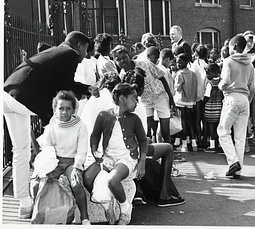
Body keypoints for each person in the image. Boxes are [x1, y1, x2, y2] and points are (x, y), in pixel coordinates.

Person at [3, 31, 98, 219]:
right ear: (79, 45)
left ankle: (24, 205)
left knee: (19, 150)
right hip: (24, 98)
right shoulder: (69, 54)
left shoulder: (55, 52)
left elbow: (64, 84)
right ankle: (47, 184)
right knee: (55, 137)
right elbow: (65, 90)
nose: (85, 54)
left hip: (7, 95)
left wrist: (86, 89)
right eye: (86, 49)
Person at [121, 69, 185, 207]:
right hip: (133, 153)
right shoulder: (137, 107)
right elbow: (142, 140)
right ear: (142, 88)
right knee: (167, 148)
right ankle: (164, 194)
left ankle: (138, 191)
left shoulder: (116, 103)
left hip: (118, 151)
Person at [88, 83, 148, 225]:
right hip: (108, 158)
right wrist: (95, 151)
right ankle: (108, 207)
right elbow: (94, 136)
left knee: (111, 180)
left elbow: (143, 141)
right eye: (133, 98)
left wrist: (142, 162)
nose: (136, 102)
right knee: (94, 185)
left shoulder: (134, 119)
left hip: (127, 158)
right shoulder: (103, 115)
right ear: (122, 98)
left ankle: (125, 209)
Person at [31, 90, 91, 225]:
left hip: (71, 162)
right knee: (36, 183)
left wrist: (77, 167)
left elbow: (82, 151)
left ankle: (85, 218)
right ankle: (38, 213)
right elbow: (47, 148)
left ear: (74, 109)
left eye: (68, 109)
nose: (64, 112)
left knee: (76, 184)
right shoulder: (51, 127)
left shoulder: (81, 126)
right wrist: (49, 168)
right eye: (61, 108)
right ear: (55, 109)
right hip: (55, 161)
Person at [111, 45, 175, 144]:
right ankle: (149, 155)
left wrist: (170, 98)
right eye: (118, 59)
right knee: (146, 129)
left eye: (124, 57)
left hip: (160, 96)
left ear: (129, 55)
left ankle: (169, 154)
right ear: (115, 62)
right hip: (144, 101)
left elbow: (162, 77)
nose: (122, 61)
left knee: (165, 130)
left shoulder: (145, 64)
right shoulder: (123, 76)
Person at [217, 35, 255, 178]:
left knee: (223, 131)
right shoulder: (250, 64)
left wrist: (220, 85)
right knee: (240, 137)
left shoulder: (228, 61)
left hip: (231, 97)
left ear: (233, 47)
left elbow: (225, 81)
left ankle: (233, 162)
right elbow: (253, 89)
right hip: (245, 99)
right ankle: (238, 170)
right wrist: (248, 101)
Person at [174, 53, 198, 152]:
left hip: (181, 100)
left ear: (185, 62)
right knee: (189, 122)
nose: (178, 64)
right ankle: (194, 143)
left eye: (180, 62)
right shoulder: (192, 74)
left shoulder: (180, 74)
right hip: (191, 100)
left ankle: (183, 145)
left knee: (183, 123)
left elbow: (178, 88)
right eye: (177, 62)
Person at [190, 44, 208, 149]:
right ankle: (205, 140)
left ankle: (198, 140)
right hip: (205, 94)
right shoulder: (206, 64)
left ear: (196, 53)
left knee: (196, 119)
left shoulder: (194, 65)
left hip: (196, 94)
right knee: (204, 119)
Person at [203, 63, 223, 153]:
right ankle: (219, 145)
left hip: (210, 109)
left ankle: (212, 146)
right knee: (218, 129)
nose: (207, 75)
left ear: (215, 73)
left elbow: (207, 96)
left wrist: (203, 103)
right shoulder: (221, 82)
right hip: (219, 109)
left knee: (211, 129)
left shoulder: (209, 83)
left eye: (208, 73)